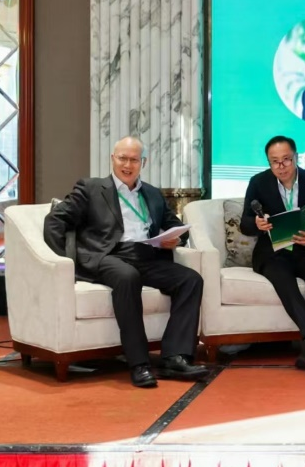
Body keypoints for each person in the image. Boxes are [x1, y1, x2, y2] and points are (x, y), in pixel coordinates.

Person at [43, 136, 207, 388]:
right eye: (122, 158)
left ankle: (175, 357)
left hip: (146, 254)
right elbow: (55, 221)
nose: (127, 165)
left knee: (190, 279)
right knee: (128, 276)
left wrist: (174, 239)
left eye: (134, 160)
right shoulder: (90, 188)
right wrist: (66, 263)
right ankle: (139, 363)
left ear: (143, 162)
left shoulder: (152, 193)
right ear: (113, 158)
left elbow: (175, 226)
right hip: (108, 255)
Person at [240, 135, 305, 368]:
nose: (281, 166)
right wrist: (257, 224)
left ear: (296, 157)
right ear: (268, 162)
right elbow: (245, 223)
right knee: (282, 277)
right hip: (274, 252)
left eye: (286, 159)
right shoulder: (258, 183)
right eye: (275, 162)